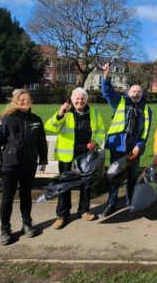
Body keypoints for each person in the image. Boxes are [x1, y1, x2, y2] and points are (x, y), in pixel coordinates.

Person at [0, 89, 48, 245]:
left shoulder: (36, 120)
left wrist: (43, 160)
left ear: (31, 101)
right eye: (21, 99)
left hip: (29, 165)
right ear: (15, 101)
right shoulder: (6, 120)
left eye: (27, 99)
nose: (25, 101)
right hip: (10, 166)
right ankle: (5, 229)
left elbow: (42, 142)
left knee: (26, 195)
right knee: (7, 199)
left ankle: (27, 224)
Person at [44, 87, 105, 228]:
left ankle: (84, 211)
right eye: (77, 98)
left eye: (83, 98)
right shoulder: (65, 113)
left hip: (86, 155)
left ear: (86, 100)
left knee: (86, 184)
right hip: (67, 156)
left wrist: (95, 142)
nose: (80, 101)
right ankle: (62, 215)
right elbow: (50, 127)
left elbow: (101, 130)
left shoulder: (94, 113)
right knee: (64, 185)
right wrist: (60, 113)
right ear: (72, 100)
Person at [101, 63, 152, 217]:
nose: (136, 93)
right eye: (133, 91)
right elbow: (108, 92)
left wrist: (139, 146)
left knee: (132, 177)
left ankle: (130, 201)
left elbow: (145, 132)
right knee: (115, 176)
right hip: (118, 146)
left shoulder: (147, 110)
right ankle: (112, 203)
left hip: (134, 149)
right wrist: (106, 76)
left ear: (142, 94)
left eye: (139, 91)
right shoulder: (120, 102)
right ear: (128, 92)